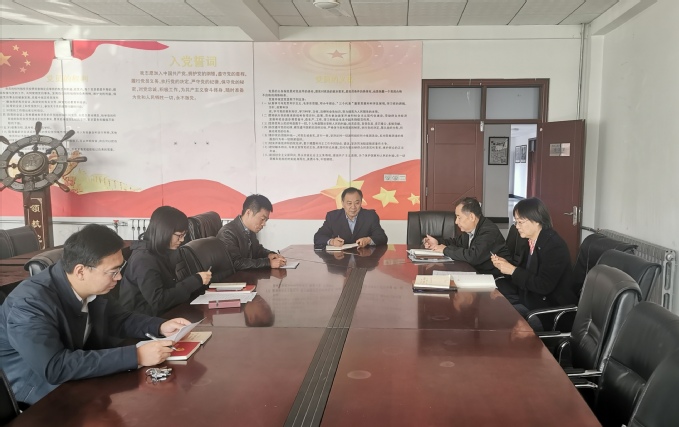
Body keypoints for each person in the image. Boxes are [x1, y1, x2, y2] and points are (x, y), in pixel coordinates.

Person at [0, 224, 191, 405]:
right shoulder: (29, 304)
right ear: (81, 271)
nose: (119, 277)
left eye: (120, 269)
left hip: (78, 372)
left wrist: (159, 326)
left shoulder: (90, 285)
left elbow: (118, 318)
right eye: (113, 272)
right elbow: (54, 367)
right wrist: (136, 356)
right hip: (36, 390)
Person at [491, 198, 577, 330]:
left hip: (547, 313)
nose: (517, 226)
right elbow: (524, 273)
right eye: (516, 222)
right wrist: (506, 266)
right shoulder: (530, 241)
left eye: (520, 222)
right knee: (494, 307)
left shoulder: (554, 246)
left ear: (536, 220)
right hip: (529, 302)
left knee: (501, 323)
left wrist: (513, 270)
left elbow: (543, 286)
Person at [119, 206, 212, 316]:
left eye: (184, 235)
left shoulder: (160, 251)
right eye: (179, 235)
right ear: (164, 232)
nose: (182, 240)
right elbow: (159, 301)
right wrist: (195, 280)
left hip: (160, 314)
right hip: (143, 319)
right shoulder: (143, 260)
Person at [423, 197, 510, 276]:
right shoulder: (471, 229)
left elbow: (473, 256)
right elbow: (456, 242)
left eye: (459, 217)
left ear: (471, 217)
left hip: (495, 279)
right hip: (477, 273)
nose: (456, 222)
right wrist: (437, 242)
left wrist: (445, 249)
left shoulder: (489, 231)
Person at [217, 194, 287, 270]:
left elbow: (257, 250)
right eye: (262, 219)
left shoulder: (249, 229)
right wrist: (268, 263)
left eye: (266, 220)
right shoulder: (227, 233)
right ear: (248, 213)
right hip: (235, 277)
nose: (264, 224)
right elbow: (236, 263)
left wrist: (270, 254)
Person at [313, 187, 388, 249]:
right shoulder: (333, 217)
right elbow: (318, 237)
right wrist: (332, 241)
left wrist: (368, 240)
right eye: (349, 203)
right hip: (339, 260)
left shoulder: (370, 216)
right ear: (342, 203)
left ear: (361, 202)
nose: (353, 207)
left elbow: (382, 237)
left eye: (357, 203)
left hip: (364, 258)